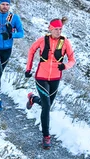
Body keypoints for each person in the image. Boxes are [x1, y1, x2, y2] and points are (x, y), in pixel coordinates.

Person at [25, 17, 76, 149]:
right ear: (50, 29)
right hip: (41, 77)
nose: (58, 32)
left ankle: (32, 98)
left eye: (60, 29)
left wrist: (65, 66)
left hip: (55, 78)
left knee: (45, 104)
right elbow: (31, 51)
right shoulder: (42, 40)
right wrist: (28, 69)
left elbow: (72, 60)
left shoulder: (65, 43)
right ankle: (46, 136)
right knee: (46, 106)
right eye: (56, 29)